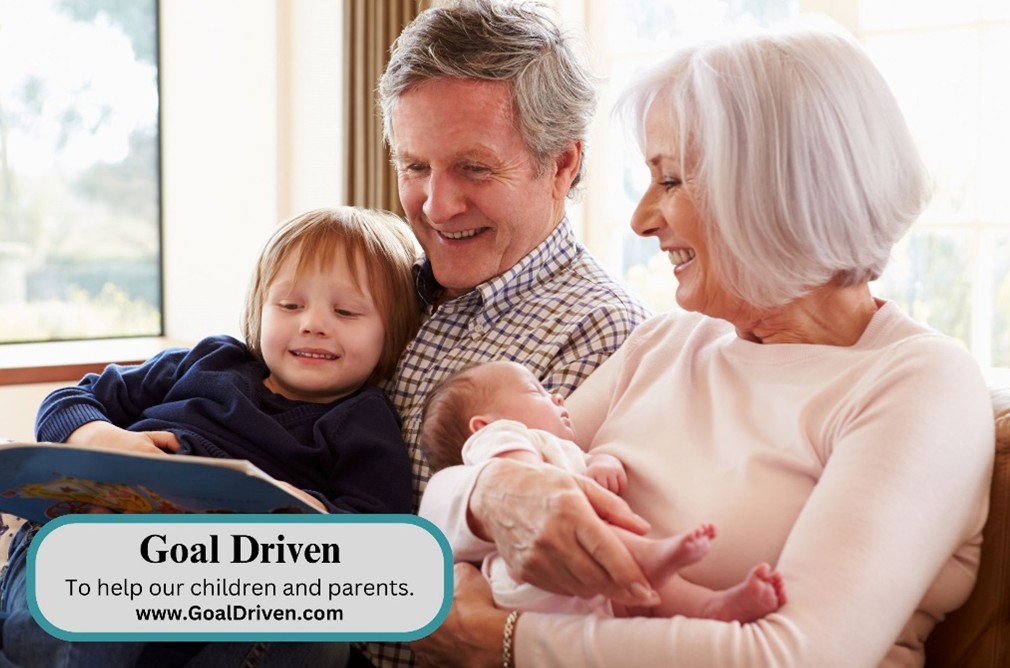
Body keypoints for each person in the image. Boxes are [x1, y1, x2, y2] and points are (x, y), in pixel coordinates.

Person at [413, 23, 995, 668]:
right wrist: (490, 496)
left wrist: (500, 641)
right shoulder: (666, 341)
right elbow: (449, 492)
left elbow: (791, 656)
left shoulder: (918, 381)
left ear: (773, 190)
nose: (640, 219)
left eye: (670, 181)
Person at [0, 206, 421, 668]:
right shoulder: (210, 361)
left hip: (219, 595)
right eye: (290, 305)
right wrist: (98, 437)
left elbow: (383, 541)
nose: (313, 323)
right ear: (259, 308)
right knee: (85, 603)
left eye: (346, 311)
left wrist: (308, 515)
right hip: (94, 546)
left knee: (320, 643)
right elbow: (72, 398)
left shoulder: (365, 422)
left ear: (392, 331)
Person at [359, 1, 651, 665]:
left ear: (563, 165)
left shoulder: (603, 333)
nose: (436, 206)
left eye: (474, 169)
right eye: (415, 167)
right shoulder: (373, 289)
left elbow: (526, 595)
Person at [420, 360, 786, 621]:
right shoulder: (503, 439)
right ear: (484, 425)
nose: (559, 397)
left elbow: (593, 460)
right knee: (605, 537)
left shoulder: (564, 450)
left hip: (582, 601)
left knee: (647, 599)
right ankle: (652, 554)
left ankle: (712, 607)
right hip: (528, 576)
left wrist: (604, 463)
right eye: (538, 391)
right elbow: (524, 487)